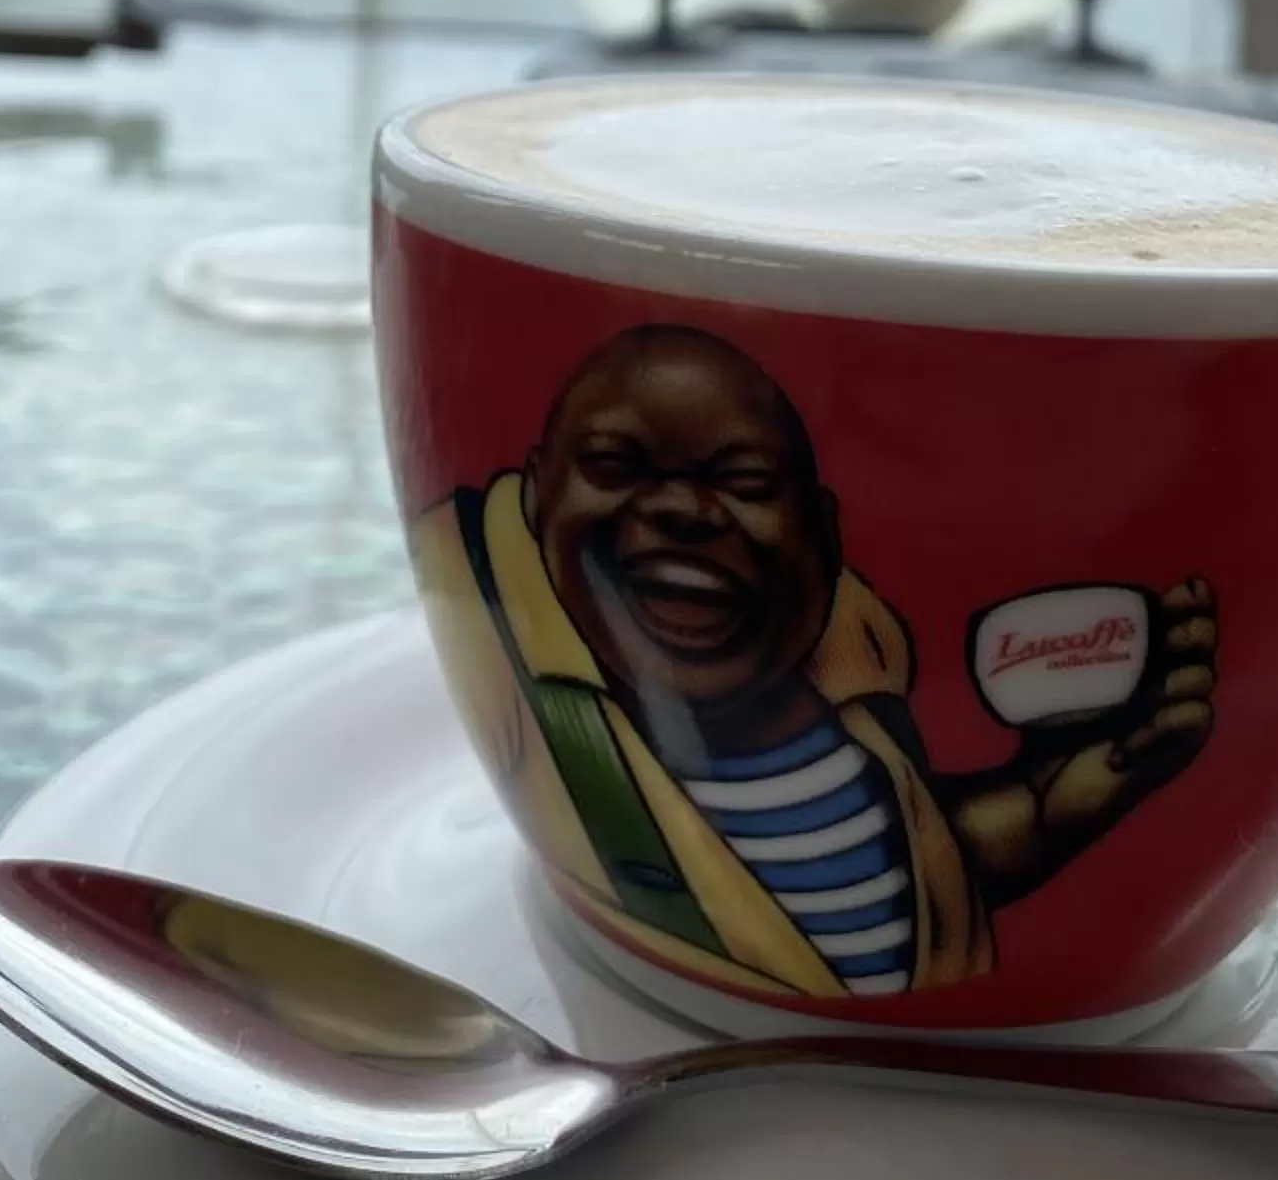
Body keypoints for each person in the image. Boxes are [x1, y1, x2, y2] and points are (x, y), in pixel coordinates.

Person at [414, 324, 1217, 1002]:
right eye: (617, 468)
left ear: (823, 535)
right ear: (538, 494)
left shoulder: (855, 658)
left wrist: (1050, 807)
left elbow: (907, 872)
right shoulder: (504, 645)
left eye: (747, 482)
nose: (682, 511)